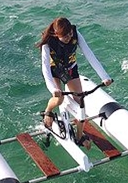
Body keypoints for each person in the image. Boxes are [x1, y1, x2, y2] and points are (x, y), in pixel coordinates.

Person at [36, 17, 113, 145]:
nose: (69, 37)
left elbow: (90, 55)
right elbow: (45, 69)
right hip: (54, 71)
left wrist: (104, 76)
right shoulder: (48, 43)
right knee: (59, 99)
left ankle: (79, 137)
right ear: (56, 35)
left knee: (81, 101)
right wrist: (53, 89)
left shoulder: (76, 35)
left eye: (70, 33)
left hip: (71, 70)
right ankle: (48, 111)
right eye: (65, 36)